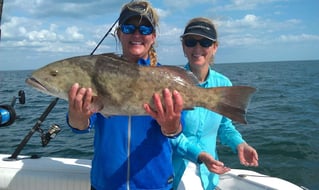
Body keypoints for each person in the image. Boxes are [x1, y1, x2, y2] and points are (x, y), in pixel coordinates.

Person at [66, 1, 183, 189]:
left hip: (154, 184)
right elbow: (80, 126)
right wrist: (76, 117)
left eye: (144, 29)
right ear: (119, 34)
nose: (136, 34)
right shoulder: (98, 73)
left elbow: (176, 130)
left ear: (153, 36)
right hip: (106, 184)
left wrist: (171, 126)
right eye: (129, 28)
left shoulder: (167, 79)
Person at [170, 17, 259, 190]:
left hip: (209, 175)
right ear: (183, 47)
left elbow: (225, 126)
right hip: (176, 174)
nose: (197, 48)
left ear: (215, 47)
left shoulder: (223, 84)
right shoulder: (171, 82)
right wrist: (199, 155)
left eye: (205, 42)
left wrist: (240, 144)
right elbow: (168, 134)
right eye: (190, 42)